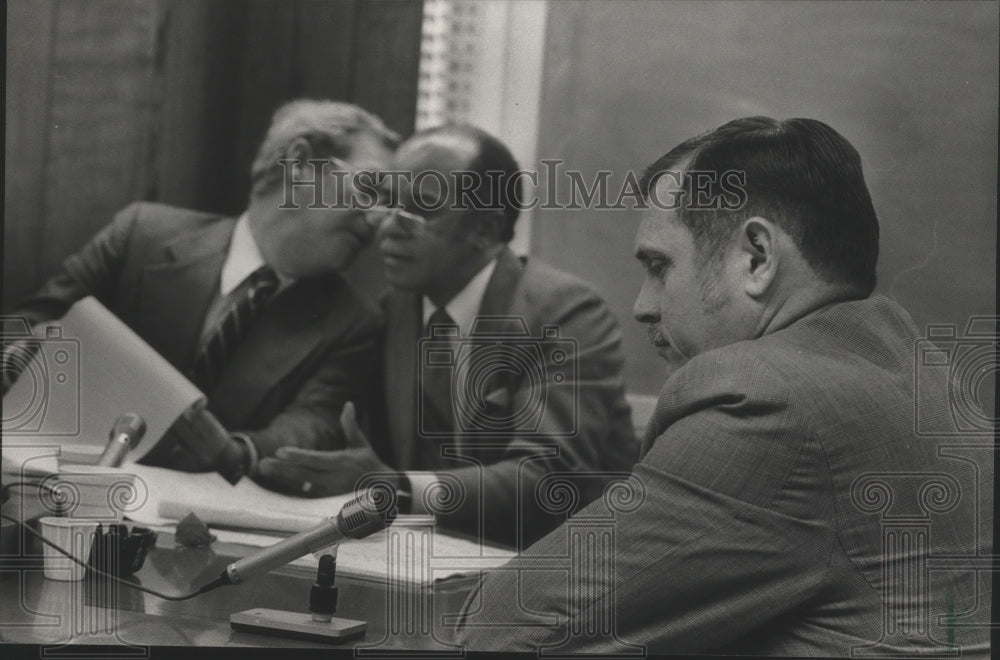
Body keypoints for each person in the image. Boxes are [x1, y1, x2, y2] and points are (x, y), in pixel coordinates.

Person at [453, 117, 991, 655]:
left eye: (660, 266)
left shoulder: (765, 404)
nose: (642, 305)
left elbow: (503, 631)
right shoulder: (918, 370)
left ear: (757, 257)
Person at [256, 124, 638, 547]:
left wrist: (398, 488)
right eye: (388, 202)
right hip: (420, 563)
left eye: (420, 208)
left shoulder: (565, 314)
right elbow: (322, 409)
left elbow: (546, 479)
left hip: (554, 571)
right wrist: (248, 451)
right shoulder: (392, 307)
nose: (387, 228)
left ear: (486, 230)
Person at [5, 99, 397, 483]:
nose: (378, 220)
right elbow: (31, 323)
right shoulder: (141, 237)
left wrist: (237, 453)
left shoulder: (354, 320)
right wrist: (23, 353)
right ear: (299, 165)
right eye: (370, 188)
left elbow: (314, 425)